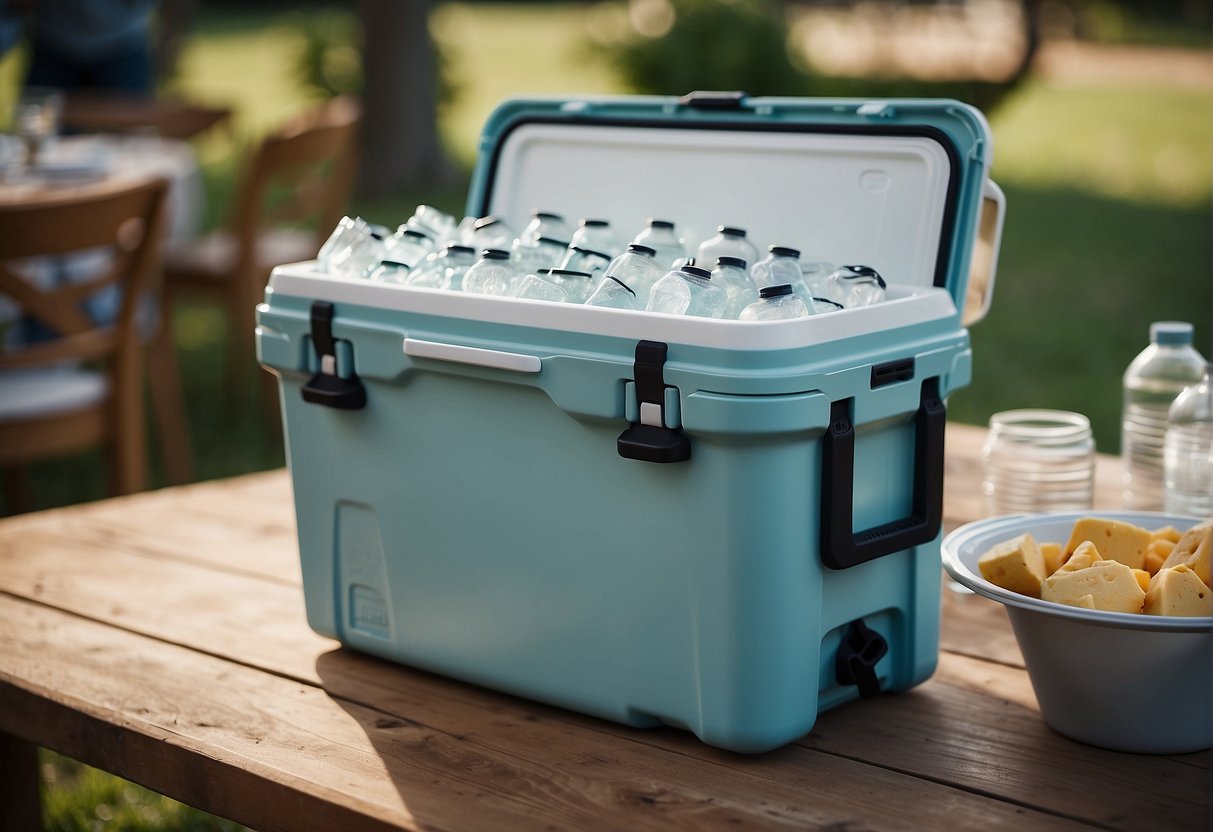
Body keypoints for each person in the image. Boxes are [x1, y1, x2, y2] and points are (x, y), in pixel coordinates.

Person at [1, 0, 159, 96]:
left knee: (133, 139)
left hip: (123, 44)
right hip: (53, 44)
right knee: (43, 126)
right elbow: (17, 6)